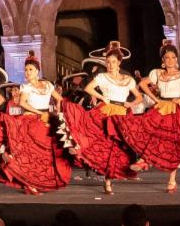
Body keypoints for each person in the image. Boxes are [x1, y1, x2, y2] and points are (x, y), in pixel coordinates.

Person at [60, 41, 149, 194]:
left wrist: (131, 103)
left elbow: (139, 97)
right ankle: (105, 179)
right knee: (105, 145)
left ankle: (141, 161)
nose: (110, 65)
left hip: (122, 112)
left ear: (119, 62)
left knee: (127, 143)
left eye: (113, 62)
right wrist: (102, 97)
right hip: (106, 111)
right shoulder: (102, 76)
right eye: (108, 62)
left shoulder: (128, 79)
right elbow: (88, 88)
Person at [112, 40, 180, 193]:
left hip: (174, 109)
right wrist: (155, 98)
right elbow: (142, 84)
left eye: (173, 57)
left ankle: (172, 180)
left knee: (172, 143)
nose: (170, 60)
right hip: (160, 106)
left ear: (176, 59)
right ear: (163, 60)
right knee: (150, 132)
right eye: (167, 57)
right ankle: (144, 159)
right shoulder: (157, 73)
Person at [0, 52, 72, 195]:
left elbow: (60, 98)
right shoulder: (25, 87)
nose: (27, 72)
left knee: (45, 154)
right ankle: (29, 184)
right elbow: (23, 103)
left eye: (30, 69)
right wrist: (38, 112)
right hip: (30, 120)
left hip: (45, 120)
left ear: (37, 71)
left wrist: (58, 109)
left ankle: (38, 181)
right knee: (29, 154)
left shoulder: (48, 85)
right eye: (26, 70)